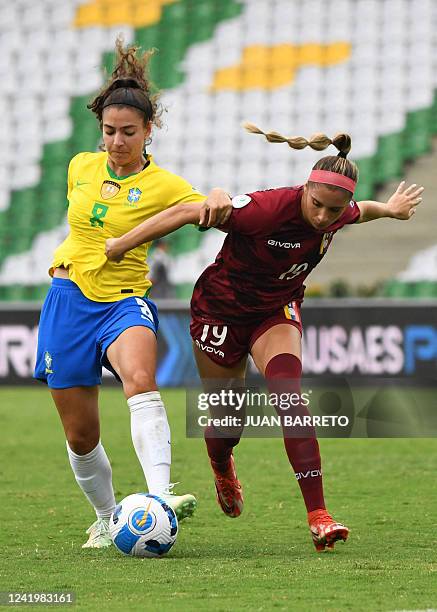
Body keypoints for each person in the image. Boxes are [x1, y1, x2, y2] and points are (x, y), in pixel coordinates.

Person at [105, 122, 423, 551]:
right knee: (228, 421)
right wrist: (121, 244)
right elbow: (185, 212)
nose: (324, 218)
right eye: (318, 205)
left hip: (275, 312)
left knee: (290, 398)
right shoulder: (266, 209)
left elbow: (360, 210)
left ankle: (319, 515)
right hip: (220, 311)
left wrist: (390, 208)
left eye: (334, 211)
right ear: (305, 187)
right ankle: (221, 462)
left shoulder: (339, 211)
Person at [33, 38, 232, 549]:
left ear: (148, 131)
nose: (116, 142)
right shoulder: (80, 166)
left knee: (141, 380)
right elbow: (83, 227)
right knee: (80, 436)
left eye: (127, 132)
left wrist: (216, 194)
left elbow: (205, 207)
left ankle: (160, 498)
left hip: (123, 300)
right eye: (109, 132)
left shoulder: (164, 184)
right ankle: (106, 516)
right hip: (68, 299)